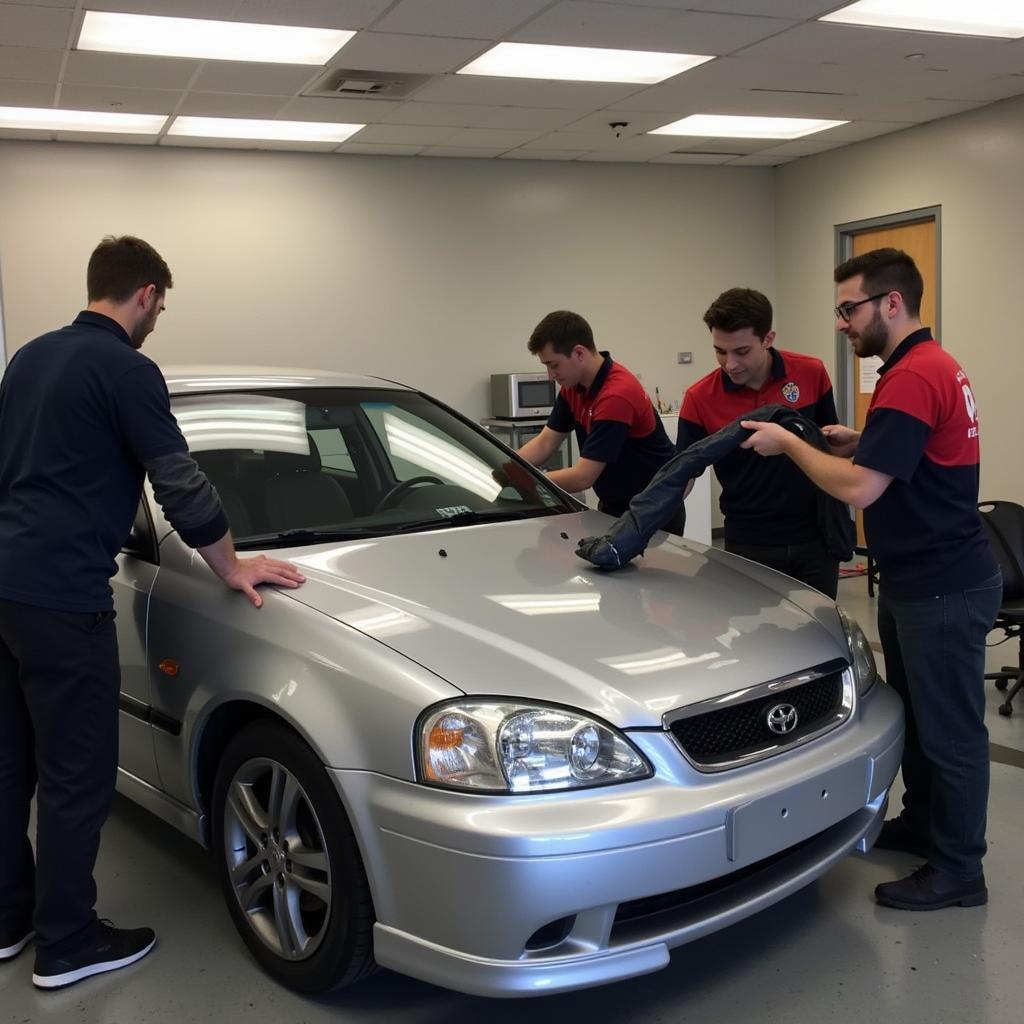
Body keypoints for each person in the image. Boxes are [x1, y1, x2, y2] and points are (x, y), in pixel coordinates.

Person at [0, 235, 306, 989]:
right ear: (143, 294)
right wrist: (232, 567)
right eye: (160, 305)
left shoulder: (30, 357)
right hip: (64, 594)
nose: (157, 318)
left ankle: (9, 920)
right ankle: (67, 941)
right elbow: (179, 479)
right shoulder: (128, 370)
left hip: (4, 586)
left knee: (9, 766)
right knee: (77, 773)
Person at [740, 248, 1001, 911]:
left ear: (891, 303)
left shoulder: (913, 376)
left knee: (953, 734)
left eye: (849, 308)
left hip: (942, 586)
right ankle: (922, 825)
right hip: (921, 580)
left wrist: (791, 445)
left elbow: (858, 492)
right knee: (920, 718)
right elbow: (919, 452)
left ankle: (959, 870)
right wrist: (867, 438)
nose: (843, 323)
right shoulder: (925, 367)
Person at [677, 288, 843, 597]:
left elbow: (827, 445)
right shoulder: (699, 398)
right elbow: (681, 477)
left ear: (768, 338)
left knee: (820, 641)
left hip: (815, 540)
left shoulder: (811, 373)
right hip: (747, 543)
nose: (730, 364)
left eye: (741, 351)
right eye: (719, 351)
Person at [514, 310, 683, 533]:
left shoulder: (616, 395)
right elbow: (545, 443)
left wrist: (527, 481)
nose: (550, 375)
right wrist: (506, 467)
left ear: (579, 353)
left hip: (653, 511)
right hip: (615, 507)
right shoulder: (572, 388)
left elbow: (584, 476)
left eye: (554, 365)